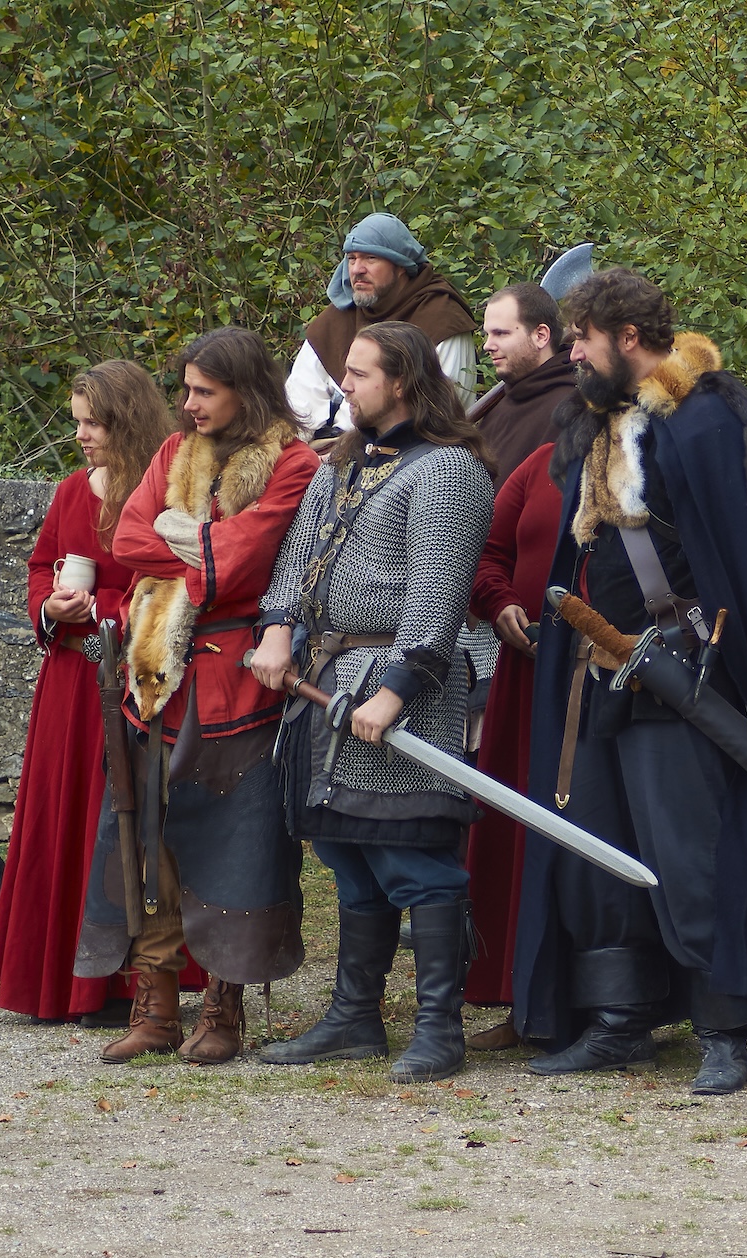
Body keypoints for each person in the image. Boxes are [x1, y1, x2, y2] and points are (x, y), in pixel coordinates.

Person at [510, 267, 747, 1094]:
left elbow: (739, 567)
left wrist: (723, 673)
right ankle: (620, 1020)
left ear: (629, 338)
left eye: (583, 339)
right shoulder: (600, 421)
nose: (573, 354)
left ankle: (723, 1028)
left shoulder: (704, 421)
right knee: (599, 853)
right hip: (597, 671)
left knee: (690, 857)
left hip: (681, 677)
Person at [251, 321, 495, 1084]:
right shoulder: (345, 461)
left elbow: (438, 596)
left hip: (401, 686)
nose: (344, 385)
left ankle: (439, 1029)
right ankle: (355, 1019)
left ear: (404, 382)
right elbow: (296, 560)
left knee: (417, 861)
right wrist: (278, 631)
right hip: (326, 683)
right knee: (349, 856)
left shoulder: (448, 472)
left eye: (358, 374)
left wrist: (396, 688)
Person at [75, 329, 321, 1064]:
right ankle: (155, 1006)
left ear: (247, 390)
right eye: (185, 389)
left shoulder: (293, 464)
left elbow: (243, 563)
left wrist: (192, 542)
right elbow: (128, 540)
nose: (188, 404)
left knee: (233, 842)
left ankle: (222, 1005)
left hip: (238, 683)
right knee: (145, 836)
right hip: (155, 672)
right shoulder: (171, 453)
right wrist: (204, 541)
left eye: (204, 391)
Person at [0, 361, 177, 1023]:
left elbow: (170, 584)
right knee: (63, 818)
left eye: (93, 423)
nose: (81, 435)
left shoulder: (161, 493)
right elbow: (42, 564)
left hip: (129, 684)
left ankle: (121, 984)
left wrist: (99, 608)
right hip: (68, 686)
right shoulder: (72, 490)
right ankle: (58, 975)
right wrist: (49, 606)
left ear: (125, 421)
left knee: (120, 819)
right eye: (76, 422)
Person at [461, 438, 565, 1050]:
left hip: (604, 678)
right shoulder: (542, 461)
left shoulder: (648, 454)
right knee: (516, 832)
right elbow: (485, 553)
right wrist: (500, 603)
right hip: (526, 677)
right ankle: (522, 999)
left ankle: (600, 1006)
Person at [285, 213, 476, 437]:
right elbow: (299, 406)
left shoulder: (441, 317)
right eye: (352, 258)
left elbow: (440, 416)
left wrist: (355, 448)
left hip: (411, 451)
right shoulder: (336, 319)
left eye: (370, 258)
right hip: (324, 449)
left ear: (401, 265)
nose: (357, 269)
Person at [478, 283, 578, 485]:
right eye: (487, 334)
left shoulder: (570, 410)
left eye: (501, 333)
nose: (487, 345)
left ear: (540, 336)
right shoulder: (498, 405)